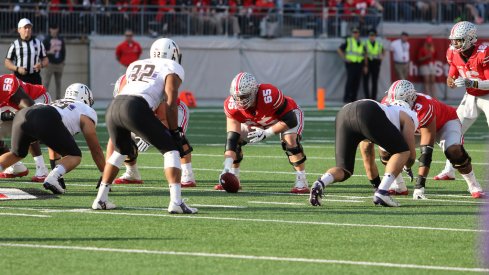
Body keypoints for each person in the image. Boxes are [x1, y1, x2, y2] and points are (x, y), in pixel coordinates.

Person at [93, 38, 198, 214]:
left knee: (121, 150)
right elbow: (171, 102)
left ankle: (100, 199)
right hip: (136, 106)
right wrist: (174, 131)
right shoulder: (173, 67)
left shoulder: (136, 64)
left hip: (114, 106)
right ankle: (176, 202)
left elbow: (123, 90)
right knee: (171, 149)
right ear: (173, 53)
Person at [384, 79, 485, 199]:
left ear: (412, 98)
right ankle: (399, 186)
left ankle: (473, 185)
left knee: (454, 151)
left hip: (444, 124)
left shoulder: (423, 106)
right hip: (416, 130)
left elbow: (427, 151)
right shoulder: (386, 104)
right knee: (386, 149)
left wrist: (419, 186)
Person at [309, 99, 418, 207]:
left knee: (344, 169)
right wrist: (407, 167)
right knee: (403, 151)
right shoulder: (409, 115)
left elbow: (368, 157)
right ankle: (382, 193)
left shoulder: (386, 112)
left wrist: (377, 185)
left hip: (344, 112)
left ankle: (321, 182)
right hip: (367, 110)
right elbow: (411, 155)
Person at [0, 82, 104, 195]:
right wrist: (105, 174)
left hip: (22, 114)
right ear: (86, 98)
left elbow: (53, 144)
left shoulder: (58, 103)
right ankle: (52, 178)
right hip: (44, 116)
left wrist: (58, 175)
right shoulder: (85, 110)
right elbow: (95, 149)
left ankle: (54, 178)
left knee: (16, 154)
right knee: (75, 155)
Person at [218, 72, 309, 194]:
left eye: (244, 96)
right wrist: (226, 168)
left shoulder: (269, 94)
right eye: (237, 97)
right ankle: (234, 176)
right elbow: (232, 138)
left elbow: (290, 120)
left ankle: (301, 180)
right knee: (236, 141)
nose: (240, 100)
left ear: (254, 91)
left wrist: (267, 133)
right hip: (257, 122)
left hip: (284, 118)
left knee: (290, 142)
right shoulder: (231, 106)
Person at [107, 74, 197, 188]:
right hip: (144, 112)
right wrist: (105, 171)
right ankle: (132, 172)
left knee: (176, 138)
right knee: (124, 138)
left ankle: (187, 175)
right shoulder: (126, 98)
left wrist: (148, 137)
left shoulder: (148, 91)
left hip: (172, 110)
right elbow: (113, 140)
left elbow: (163, 119)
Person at [435, 21, 489, 181]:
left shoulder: (483, 52)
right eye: (454, 40)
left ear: (470, 38)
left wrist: (472, 82)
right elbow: (453, 71)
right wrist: (450, 80)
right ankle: (449, 170)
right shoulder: (452, 52)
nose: (455, 43)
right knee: (451, 131)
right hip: (471, 96)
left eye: (458, 40)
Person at [0, 74, 50, 182]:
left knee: (25, 122)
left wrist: (14, 117)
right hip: (11, 107)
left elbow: (29, 108)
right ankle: (16, 166)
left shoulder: (6, 84)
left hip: (37, 99)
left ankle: (42, 169)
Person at [4, 18, 49, 85]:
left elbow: (45, 59)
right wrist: (17, 68)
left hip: (35, 78)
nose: (27, 30)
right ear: (19, 30)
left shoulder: (38, 43)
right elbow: (7, 62)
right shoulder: (14, 45)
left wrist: (41, 65)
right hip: (20, 78)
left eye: (29, 28)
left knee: (37, 95)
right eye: (25, 27)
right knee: (20, 95)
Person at [337, 27, 367, 103]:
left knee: (357, 82)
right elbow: (339, 49)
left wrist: (365, 65)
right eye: (354, 32)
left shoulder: (361, 42)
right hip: (351, 64)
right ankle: (346, 98)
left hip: (359, 64)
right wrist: (345, 58)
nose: (355, 34)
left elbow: (364, 54)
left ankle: (354, 98)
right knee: (350, 81)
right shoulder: (349, 41)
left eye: (356, 32)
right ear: (352, 33)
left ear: (359, 33)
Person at [43, 23, 66, 100]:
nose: (54, 31)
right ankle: (45, 99)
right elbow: (42, 52)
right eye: (52, 29)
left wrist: (62, 62)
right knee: (46, 83)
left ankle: (58, 99)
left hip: (59, 64)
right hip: (50, 64)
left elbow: (63, 51)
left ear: (58, 29)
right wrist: (49, 52)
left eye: (55, 29)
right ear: (50, 30)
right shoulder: (47, 39)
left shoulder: (61, 39)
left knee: (58, 83)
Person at [363, 29, 384, 100]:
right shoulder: (365, 44)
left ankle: (373, 98)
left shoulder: (378, 44)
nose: (372, 37)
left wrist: (381, 58)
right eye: (370, 35)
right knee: (366, 81)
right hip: (368, 63)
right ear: (369, 36)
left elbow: (383, 51)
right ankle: (367, 97)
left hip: (376, 63)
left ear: (375, 36)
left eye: (373, 35)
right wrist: (365, 66)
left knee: (374, 81)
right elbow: (365, 54)